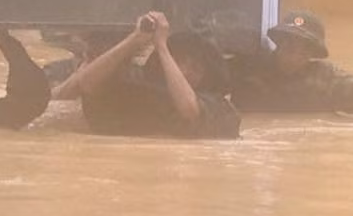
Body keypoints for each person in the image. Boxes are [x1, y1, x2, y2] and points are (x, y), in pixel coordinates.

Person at [61, 11, 241, 139]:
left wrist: (162, 47)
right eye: (180, 61)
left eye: (195, 67)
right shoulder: (142, 89)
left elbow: (190, 110)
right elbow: (87, 84)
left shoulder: (221, 108)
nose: (185, 71)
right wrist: (135, 39)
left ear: (209, 76)